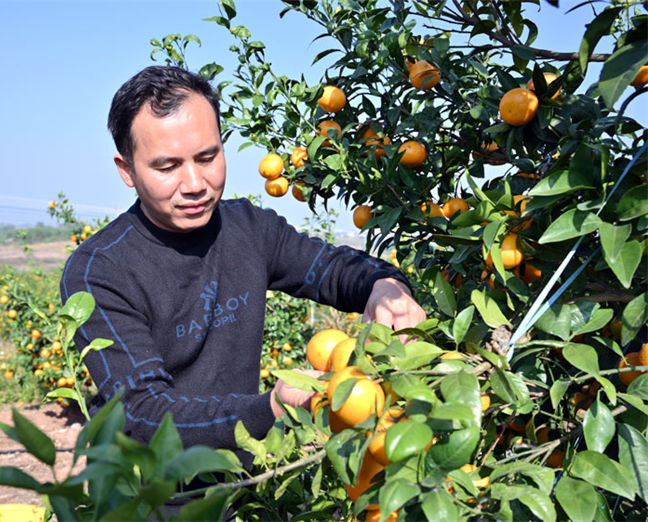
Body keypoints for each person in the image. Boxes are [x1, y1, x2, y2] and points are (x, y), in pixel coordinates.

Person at [60, 65, 425, 459]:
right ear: (127, 170)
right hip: (149, 497)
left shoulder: (248, 229)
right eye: (168, 167)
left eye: (207, 157)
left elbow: (335, 270)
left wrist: (386, 285)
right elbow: (143, 413)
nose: (195, 183)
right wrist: (270, 406)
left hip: (247, 479)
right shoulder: (100, 271)